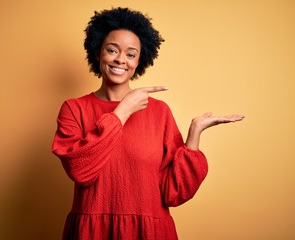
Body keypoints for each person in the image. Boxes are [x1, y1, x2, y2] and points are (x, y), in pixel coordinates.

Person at [52, 7, 244, 240]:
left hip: (148, 233)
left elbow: (174, 193)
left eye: (131, 54)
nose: (121, 59)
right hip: (93, 233)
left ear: (139, 61)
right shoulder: (74, 109)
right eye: (112, 50)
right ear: (97, 53)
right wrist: (122, 112)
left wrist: (194, 135)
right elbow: (80, 170)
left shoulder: (160, 112)